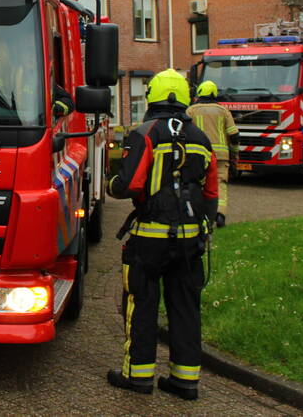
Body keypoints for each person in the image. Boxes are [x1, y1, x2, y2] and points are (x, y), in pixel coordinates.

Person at [106, 68, 218, 401]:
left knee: (141, 304)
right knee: (185, 307)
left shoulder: (145, 133)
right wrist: (205, 227)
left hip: (150, 240)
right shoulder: (200, 138)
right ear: (185, 97)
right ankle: (185, 382)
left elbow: (129, 185)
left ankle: (137, 377)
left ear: (153, 96)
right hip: (190, 240)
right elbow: (211, 193)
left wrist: (110, 185)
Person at [186, 80, 239, 228]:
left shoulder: (191, 111)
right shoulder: (223, 111)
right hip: (221, 156)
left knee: (199, 184)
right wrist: (235, 156)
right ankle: (220, 214)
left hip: (198, 155)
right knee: (220, 184)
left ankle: (200, 215)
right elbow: (234, 135)